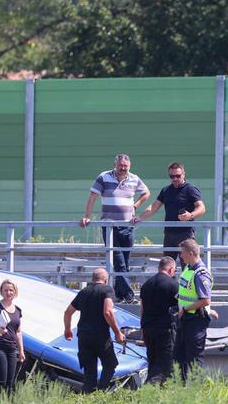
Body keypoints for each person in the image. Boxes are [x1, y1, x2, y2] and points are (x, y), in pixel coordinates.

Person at [80, 154, 150, 303]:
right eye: (120, 165)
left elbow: (146, 193)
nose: (123, 168)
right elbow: (92, 197)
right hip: (110, 226)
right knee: (119, 261)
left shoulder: (134, 178)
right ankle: (129, 295)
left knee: (125, 261)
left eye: (125, 166)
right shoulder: (104, 177)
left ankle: (119, 294)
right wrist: (87, 215)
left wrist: (135, 206)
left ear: (129, 166)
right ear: (115, 164)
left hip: (128, 225)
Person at [63, 268, 125, 393]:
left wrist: (68, 329)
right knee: (110, 364)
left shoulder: (84, 291)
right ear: (106, 279)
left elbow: (68, 312)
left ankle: (88, 396)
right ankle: (101, 392)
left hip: (84, 336)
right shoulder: (107, 290)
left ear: (92, 279)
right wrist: (118, 332)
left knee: (89, 370)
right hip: (100, 336)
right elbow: (107, 312)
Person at [132, 162, 205, 262]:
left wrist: (190, 215)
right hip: (169, 234)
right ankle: (170, 278)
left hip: (186, 233)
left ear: (183, 174)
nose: (174, 179)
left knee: (188, 265)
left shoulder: (190, 189)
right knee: (167, 264)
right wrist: (140, 218)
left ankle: (189, 278)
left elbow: (201, 208)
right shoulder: (166, 190)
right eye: (172, 176)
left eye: (178, 176)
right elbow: (153, 207)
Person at [174, 238, 213, 381]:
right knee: (179, 357)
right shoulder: (188, 269)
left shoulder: (201, 273)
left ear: (190, 253)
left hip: (195, 320)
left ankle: (198, 391)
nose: (181, 256)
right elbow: (188, 291)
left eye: (182, 253)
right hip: (185, 319)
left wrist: (185, 308)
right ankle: (182, 389)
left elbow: (205, 300)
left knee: (194, 359)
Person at [139, 256, 179, 384]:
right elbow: (182, 305)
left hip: (148, 328)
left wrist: (142, 329)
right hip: (165, 329)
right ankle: (148, 389)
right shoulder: (173, 284)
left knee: (153, 361)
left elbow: (142, 309)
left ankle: (156, 396)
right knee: (164, 364)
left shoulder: (146, 285)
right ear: (171, 269)